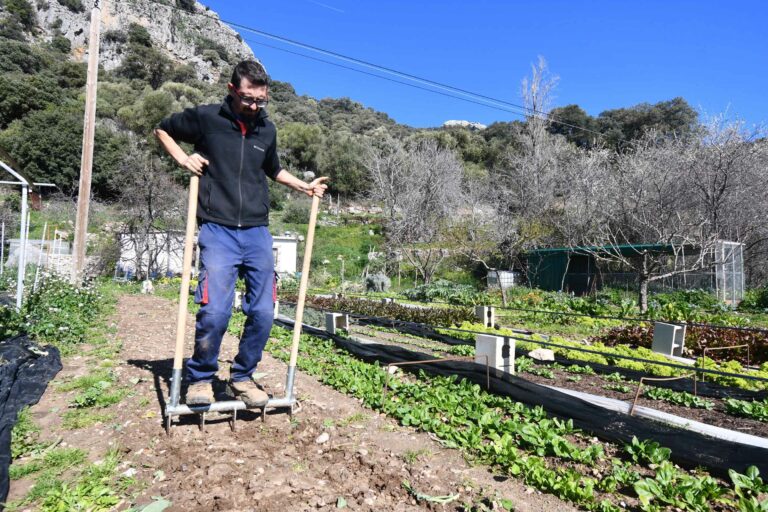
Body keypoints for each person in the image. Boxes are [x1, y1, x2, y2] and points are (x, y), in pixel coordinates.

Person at [154, 60, 328, 407]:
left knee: (264, 312)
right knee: (216, 310)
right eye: (248, 99)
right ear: (233, 90)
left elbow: (273, 169)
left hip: (257, 231)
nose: (253, 106)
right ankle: (201, 378)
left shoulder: (267, 129)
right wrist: (182, 159)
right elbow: (163, 128)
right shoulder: (207, 119)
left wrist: (303, 187)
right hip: (217, 229)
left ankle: (243, 377)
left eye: (260, 101)